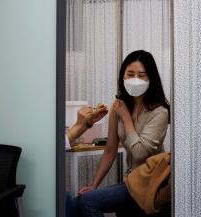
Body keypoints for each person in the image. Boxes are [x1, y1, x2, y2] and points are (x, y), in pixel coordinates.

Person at [69, 50, 170, 217]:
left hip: (150, 181)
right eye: (130, 74)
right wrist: (94, 185)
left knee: (87, 202)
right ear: (123, 77)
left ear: (151, 79)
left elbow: (139, 153)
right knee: (77, 203)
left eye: (141, 75)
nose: (134, 79)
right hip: (131, 181)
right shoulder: (118, 107)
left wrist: (126, 118)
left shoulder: (159, 112)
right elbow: (110, 150)